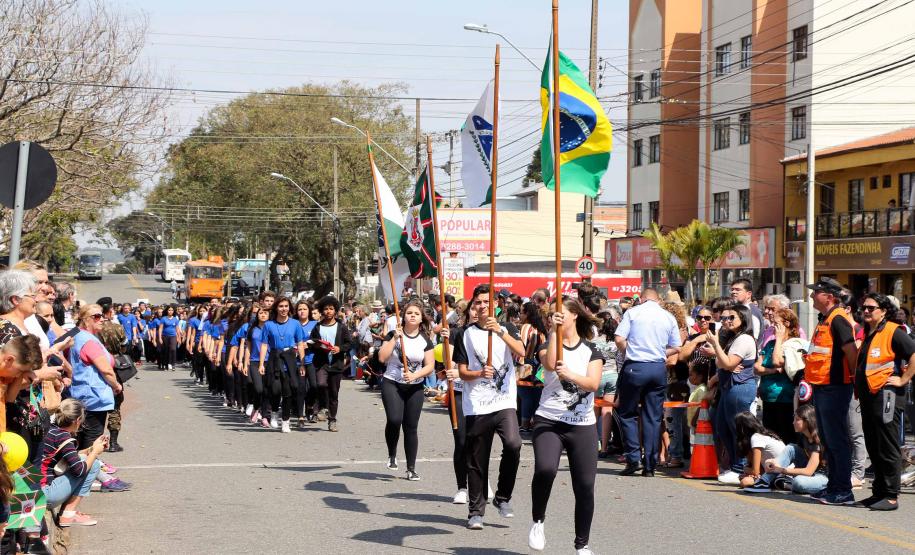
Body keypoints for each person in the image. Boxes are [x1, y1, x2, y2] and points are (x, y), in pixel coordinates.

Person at [528, 297, 602, 554]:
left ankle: (582, 543)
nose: (554, 316)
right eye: (551, 314)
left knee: (584, 485)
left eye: (560, 313)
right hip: (549, 420)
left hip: (582, 425)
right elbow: (549, 363)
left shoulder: (592, 350)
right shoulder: (549, 344)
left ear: (574, 316)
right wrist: (552, 331)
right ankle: (538, 521)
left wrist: (570, 374)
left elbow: (593, 384)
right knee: (546, 469)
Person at [453, 283, 525, 530]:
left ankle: (503, 497)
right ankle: (476, 511)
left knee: (514, 445)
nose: (482, 306)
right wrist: (478, 373)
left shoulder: (507, 328)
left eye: (486, 301)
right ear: (473, 306)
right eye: (478, 302)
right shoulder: (464, 334)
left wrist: (502, 333)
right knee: (477, 458)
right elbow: (462, 372)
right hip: (477, 404)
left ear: (494, 304)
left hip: (504, 400)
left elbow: (521, 352)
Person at [854, 293, 915, 510]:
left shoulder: (892, 331)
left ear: (884, 311)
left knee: (887, 444)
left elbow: (913, 354)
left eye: (871, 308)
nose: (866, 311)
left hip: (886, 395)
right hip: (870, 396)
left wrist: (903, 379)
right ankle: (878, 492)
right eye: (865, 308)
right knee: (873, 443)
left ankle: (891, 495)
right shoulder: (870, 332)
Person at [613, 287, 682, 476]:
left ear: (642, 299)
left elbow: (619, 338)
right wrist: (659, 352)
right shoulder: (668, 316)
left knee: (628, 414)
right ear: (658, 300)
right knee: (653, 416)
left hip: (635, 366)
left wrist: (630, 350)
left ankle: (633, 458)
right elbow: (676, 346)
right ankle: (650, 464)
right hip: (657, 368)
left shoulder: (633, 313)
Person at [804, 277, 859, 505]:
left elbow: (851, 352)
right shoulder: (826, 318)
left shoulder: (838, 319)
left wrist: (856, 381)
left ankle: (843, 490)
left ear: (830, 297)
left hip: (835, 387)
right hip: (822, 386)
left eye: (816, 292)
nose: (811, 295)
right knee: (827, 439)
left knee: (837, 440)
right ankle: (833, 486)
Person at [378, 299, 434, 480]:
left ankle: (411, 468)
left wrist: (416, 376)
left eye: (416, 314)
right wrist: (394, 338)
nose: (413, 316)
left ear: (421, 318)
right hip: (392, 382)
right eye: (409, 313)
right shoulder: (395, 334)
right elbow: (382, 358)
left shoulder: (425, 339)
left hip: (414, 387)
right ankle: (392, 453)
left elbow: (430, 366)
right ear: (403, 316)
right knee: (394, 420)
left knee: (411, 427)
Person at [706, 304, 758, 484]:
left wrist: (716, 348)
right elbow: (724, 364)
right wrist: (721, 358)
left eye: (731, 317)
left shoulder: (744, 339)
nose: (726, 321)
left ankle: (741, 468)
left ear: (743, 319)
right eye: (724, 318)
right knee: (722, 426)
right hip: (729, 387)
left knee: (737, 429)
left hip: (740, 388)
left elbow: (727, 363)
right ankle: (736, 465)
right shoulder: (732, 338)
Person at [34, 399, 105, 527]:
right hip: (47, 494)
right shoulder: (63, 437)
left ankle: (67, 513)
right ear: (77, 421)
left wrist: (91, 449)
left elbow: (72, 456)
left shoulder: (51, 430)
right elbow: (80, 471)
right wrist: (95, 453)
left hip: (37, 490)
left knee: (85, 458)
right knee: (93, 464)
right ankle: (68, 514)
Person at [68, 304, 122, 449]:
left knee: (83, 436)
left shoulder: (76, 334)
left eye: (102, 316)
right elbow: (106, 370)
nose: (102, 319)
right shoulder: (88, 340)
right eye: (97, 317)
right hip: (94, 396)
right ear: (86, 320)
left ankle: (85, 466)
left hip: (83, 393)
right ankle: (89, 468)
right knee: (93, 438)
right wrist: (116, 386)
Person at [754, 308, 807, 444]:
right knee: (770, 436)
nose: (773, 326)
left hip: (785, 398)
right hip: (768, 397)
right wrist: (772, 371)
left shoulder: (794, 344)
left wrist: (779, 338)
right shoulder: (770, 344)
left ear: (787, 324)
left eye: (776, 323)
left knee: (786, 436)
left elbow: (777, 361)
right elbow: (757, 367)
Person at [258, 297, 307, 433]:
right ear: (276, 308)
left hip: (290, 358)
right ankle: (274, 411)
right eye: (281, 306)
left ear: (289, 308)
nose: (284, 309)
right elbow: (264, 344)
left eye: (286, 306)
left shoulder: (295, 324)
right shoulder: (268, 325)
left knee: (288, 390)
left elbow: (300, 343)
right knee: (275, 389)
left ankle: (285, 421)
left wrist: (302, 364)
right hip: (274, 358)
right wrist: (262, 363)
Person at [761, 404, 828, 495]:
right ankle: (764, 481)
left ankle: (788, 484)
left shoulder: (817, 439)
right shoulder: (803, 435)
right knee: (791, 448)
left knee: (798, 482)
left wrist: (782, 470)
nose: (793, 422)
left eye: (797, 420)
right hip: (810, 470)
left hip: (823, 476)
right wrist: (773, 462)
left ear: (807, 421)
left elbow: (809, 471)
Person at [308, 295, 352, 432]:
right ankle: (323, 406)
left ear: (336, 310)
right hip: (321, 363)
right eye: (325, 309)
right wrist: (319, 346)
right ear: (321, 310)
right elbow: (311, 343)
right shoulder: (317, 327)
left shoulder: (341, 327)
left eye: (331, 309)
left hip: (337, 364)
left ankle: (332, 420)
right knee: (320, 384)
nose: (328, 311)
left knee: (334, 393)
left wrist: (340, 349)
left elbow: (349, 343)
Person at [734, 411, 786, 490]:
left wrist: (745, 469)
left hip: (782, 473)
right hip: (776, 471)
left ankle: (775, 483)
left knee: (745, 482)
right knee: (744, 479)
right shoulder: (763, 434)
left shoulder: (756, 438)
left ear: (741, 429)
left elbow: (756, 471)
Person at [591, 313, 619, 458]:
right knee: (607, 411)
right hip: (613, 375)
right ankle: (605, 446)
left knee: (594, 410)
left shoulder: (594, 341)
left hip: (598, 375)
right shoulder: (616, 342)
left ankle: (594, 443)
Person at [158, 305, 180, 371]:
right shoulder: (163, 318)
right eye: (169, 310)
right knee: (166, 351)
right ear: (167, 311)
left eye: (172, 310)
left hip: (173, 336)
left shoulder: (175, 319)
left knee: (173, 349)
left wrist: (179, 337)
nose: (170, 311)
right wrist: (160, 338)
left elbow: (177, 329)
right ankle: (165, 364)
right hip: (165, 336)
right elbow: (160, 328)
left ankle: (173, 364)